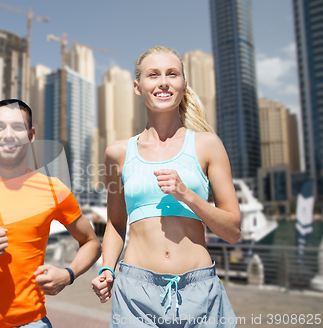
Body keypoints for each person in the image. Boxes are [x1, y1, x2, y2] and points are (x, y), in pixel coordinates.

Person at [91, 46, 241, 328]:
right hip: (135, 296)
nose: (163, 82)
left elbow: (232, 231)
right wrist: (107, 268)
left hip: (201, 295)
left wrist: (187, 195)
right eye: (153, 75)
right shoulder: (117, 153)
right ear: (138, 87)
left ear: (183, 85)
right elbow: (115, 222)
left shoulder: (208, 145)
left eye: (172, 74)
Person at [0, 99, 101, 328]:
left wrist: (67, 275)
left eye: (18, 127)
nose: (8, 134)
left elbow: (91, 242)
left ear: (31, 135)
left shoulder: (54, 189)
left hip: (31, 323)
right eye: (0, 127)